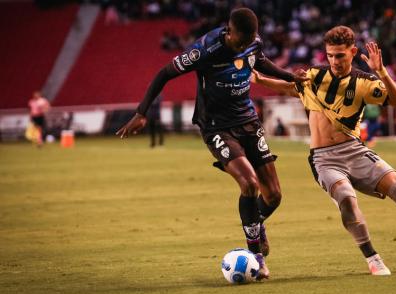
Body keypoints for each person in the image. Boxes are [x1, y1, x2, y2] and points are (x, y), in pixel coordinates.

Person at [116, 8, 308, 280]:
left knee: (274, 196)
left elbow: (259, 61)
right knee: (250, 184)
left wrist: (291, 76)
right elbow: (164, 74)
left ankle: (254, 224)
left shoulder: (252, 42)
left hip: (248, 121)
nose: (244, 46)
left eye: (248, 42)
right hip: (217, 126)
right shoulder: (205, 50)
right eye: (240, 42)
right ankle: (256, 255)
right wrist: (141, 113)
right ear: (229, 32)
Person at [252, 26, 396, 276]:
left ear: (352, 52)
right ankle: (373, 258)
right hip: (324, 159)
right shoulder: (314, 76)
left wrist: (381, 71)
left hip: (354, 150)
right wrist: (261, 80)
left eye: (339, 55)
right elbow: (290, 88)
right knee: (347, 198)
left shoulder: (364, 82)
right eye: (330, 55)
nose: (334, 61)